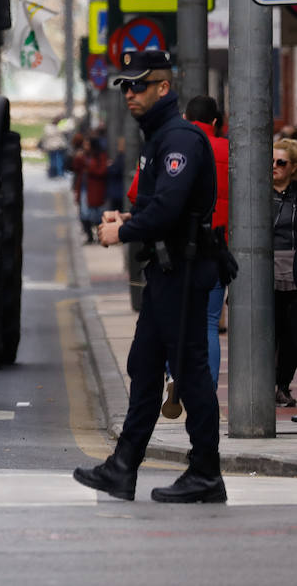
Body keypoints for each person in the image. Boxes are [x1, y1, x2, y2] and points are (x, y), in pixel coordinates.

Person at [73, 50, 225, 503]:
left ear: (164, 87)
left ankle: (206, 474)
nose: (129, 93)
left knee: (191, 375)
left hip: (184, 271)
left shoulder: (178, 138)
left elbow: (170, 210)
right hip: (166, 271)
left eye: (139, 85)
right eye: (125, 86)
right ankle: (123, 468)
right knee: (143, 366)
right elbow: (157, 205)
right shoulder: (159, 137)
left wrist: (124, 230)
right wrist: (129, 214)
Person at [185, 95, 229, 387]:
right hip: (219, 247)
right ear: (216, 122)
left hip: (183, 245)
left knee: (178, 317)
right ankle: (208, 389)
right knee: (210, 322)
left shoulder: (177, 146)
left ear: (187, 119)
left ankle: (175, 377)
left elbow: (138, 193)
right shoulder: (231, 150)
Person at [272, 139, 297, 411]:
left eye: (282, 162)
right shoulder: (259, 194)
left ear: (293, 167)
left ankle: (282, 386)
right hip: (267, 269)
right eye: (271, 162)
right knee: (270, 333)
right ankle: (265, 385)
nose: (275, 167)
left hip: (294, 268)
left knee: (292, 335)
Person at [70, 134, 110, 244]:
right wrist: (78, 158)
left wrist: (89, 166)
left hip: (95, 189)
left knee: (96, 214)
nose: (85, 146)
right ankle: (89, 236)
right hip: (84, 188)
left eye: (87, 144)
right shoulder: (84, 156)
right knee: (84, 214)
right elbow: (76, 168)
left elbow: (102, 171)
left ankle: (99, 236)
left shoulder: (100, 156)